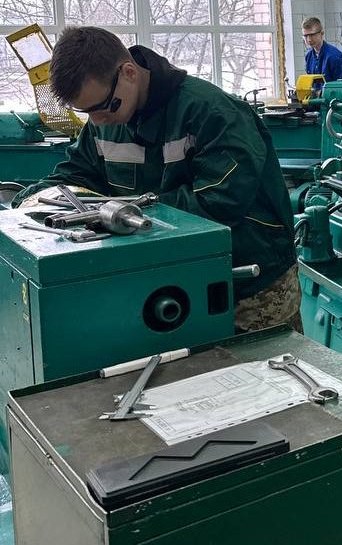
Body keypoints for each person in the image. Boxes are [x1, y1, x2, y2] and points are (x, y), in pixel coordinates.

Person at [12, 26, 300, 333]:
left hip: (248, 285)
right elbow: (76, 177)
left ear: (129, 73)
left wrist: (120, 215)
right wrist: (34, 200)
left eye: (103, 107)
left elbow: (219, 203)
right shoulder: (105, 121)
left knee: (266, 375)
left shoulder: (215, 113)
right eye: (86, 112)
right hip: (163, 284)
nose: (97, 121)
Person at [302, 17, 342, 82]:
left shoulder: (335, 57)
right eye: (306, 36)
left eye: (312, 35)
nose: (309, 39)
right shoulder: (309, 56)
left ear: (322, 33)